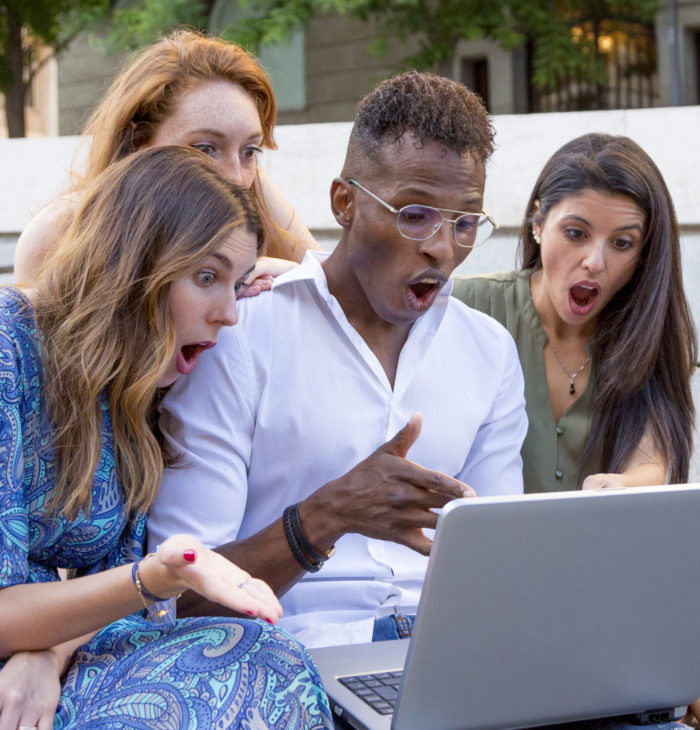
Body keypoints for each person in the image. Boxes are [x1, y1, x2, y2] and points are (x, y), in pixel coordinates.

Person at [148, 70, 528, 649]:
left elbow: (502, 568)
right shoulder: (240, 334)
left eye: (465, 221)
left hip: (449, 656)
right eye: (414, 213)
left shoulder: (490, 351)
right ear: (344, 202)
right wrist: (324, 518)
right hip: (293, 658)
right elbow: (174, 598)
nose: (441, 246)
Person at [0, 146, 333, 730]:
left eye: (238, 283)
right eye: (207, 277)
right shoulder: (8, 345)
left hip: (46, 665)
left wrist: (45, 655)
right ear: (133, 264)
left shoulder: (130, 392)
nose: (230, 314)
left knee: (265, 656)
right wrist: (156, 575)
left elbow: (100, 607)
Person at [452, 132, 697, 494]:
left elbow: (651, 461)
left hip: (598, 544)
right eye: (575, 233)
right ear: (538, 224)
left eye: (621, 243)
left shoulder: (649, 335)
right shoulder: (463, 306)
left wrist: (621, 485)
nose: (595, 262)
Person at [13, 29, 320, 288]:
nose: (236, 178)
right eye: (204, 149)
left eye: (250, 151)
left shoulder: (249, 192)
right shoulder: (58, 236)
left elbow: (341, 297)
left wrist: (299, 277)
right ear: (137, 143)